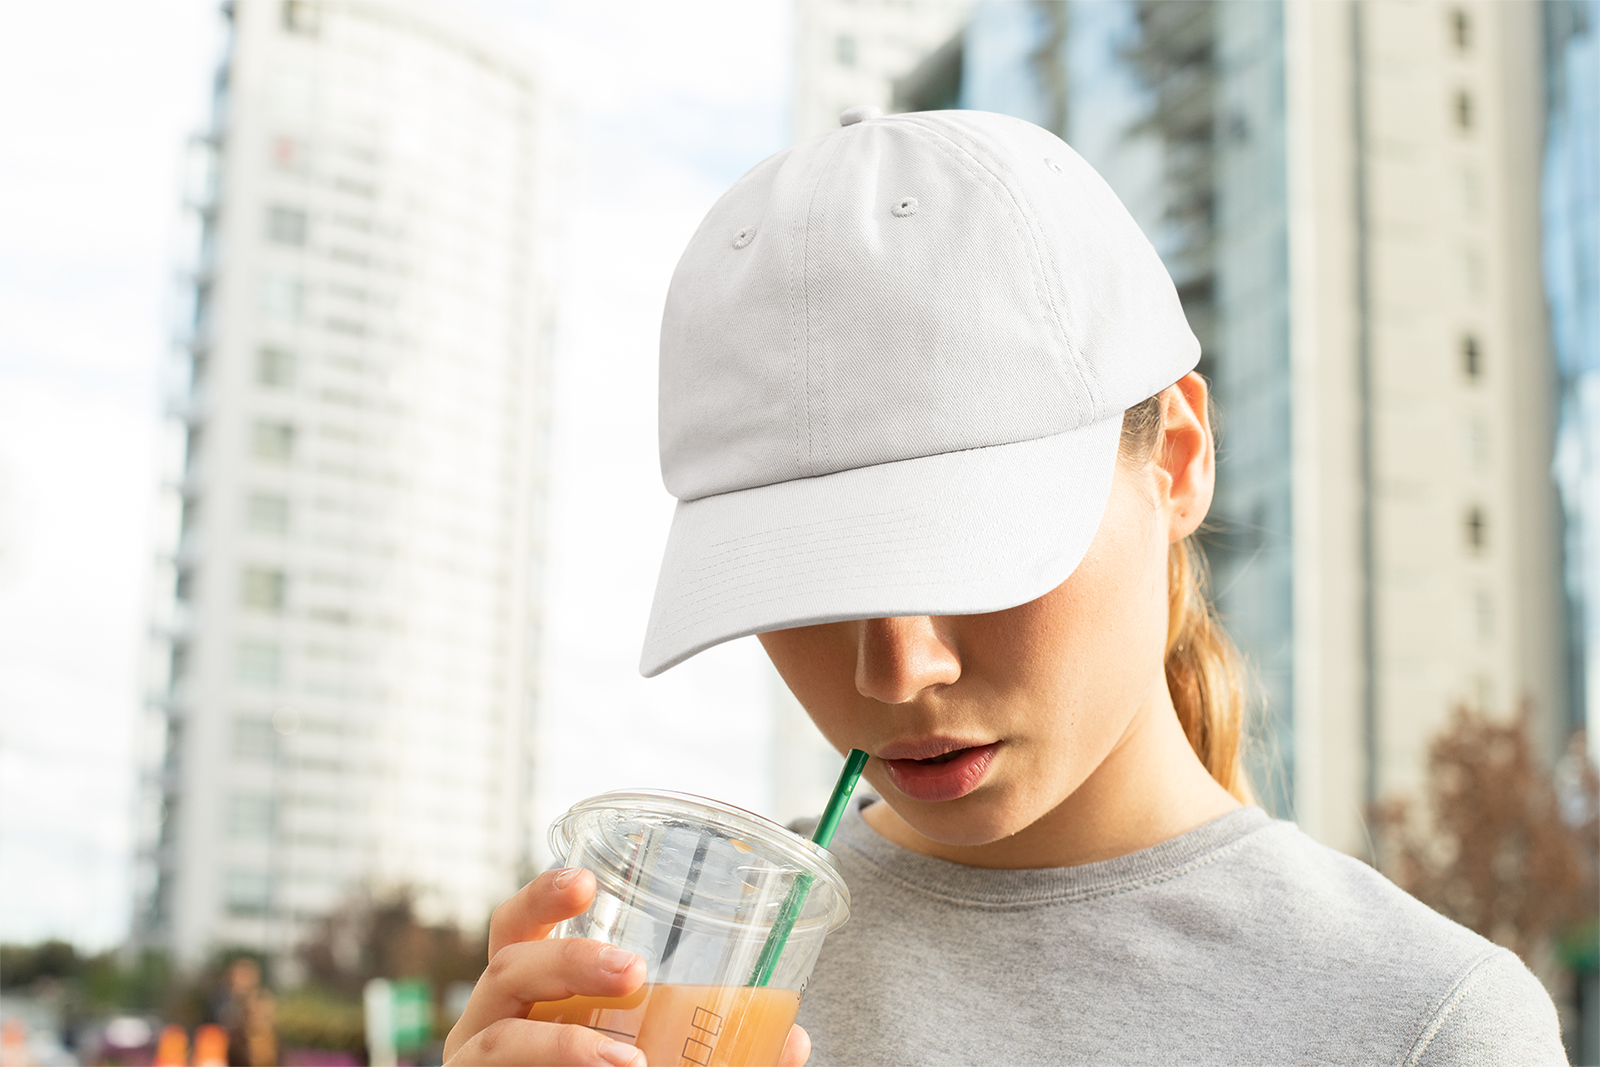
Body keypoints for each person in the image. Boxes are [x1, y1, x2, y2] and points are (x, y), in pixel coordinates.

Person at [444, 107, 1565, 1065]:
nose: (895, 667)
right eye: (806, 579)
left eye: (970, 556)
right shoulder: (679, 984)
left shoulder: (1418, 1025)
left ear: (1174, 457)